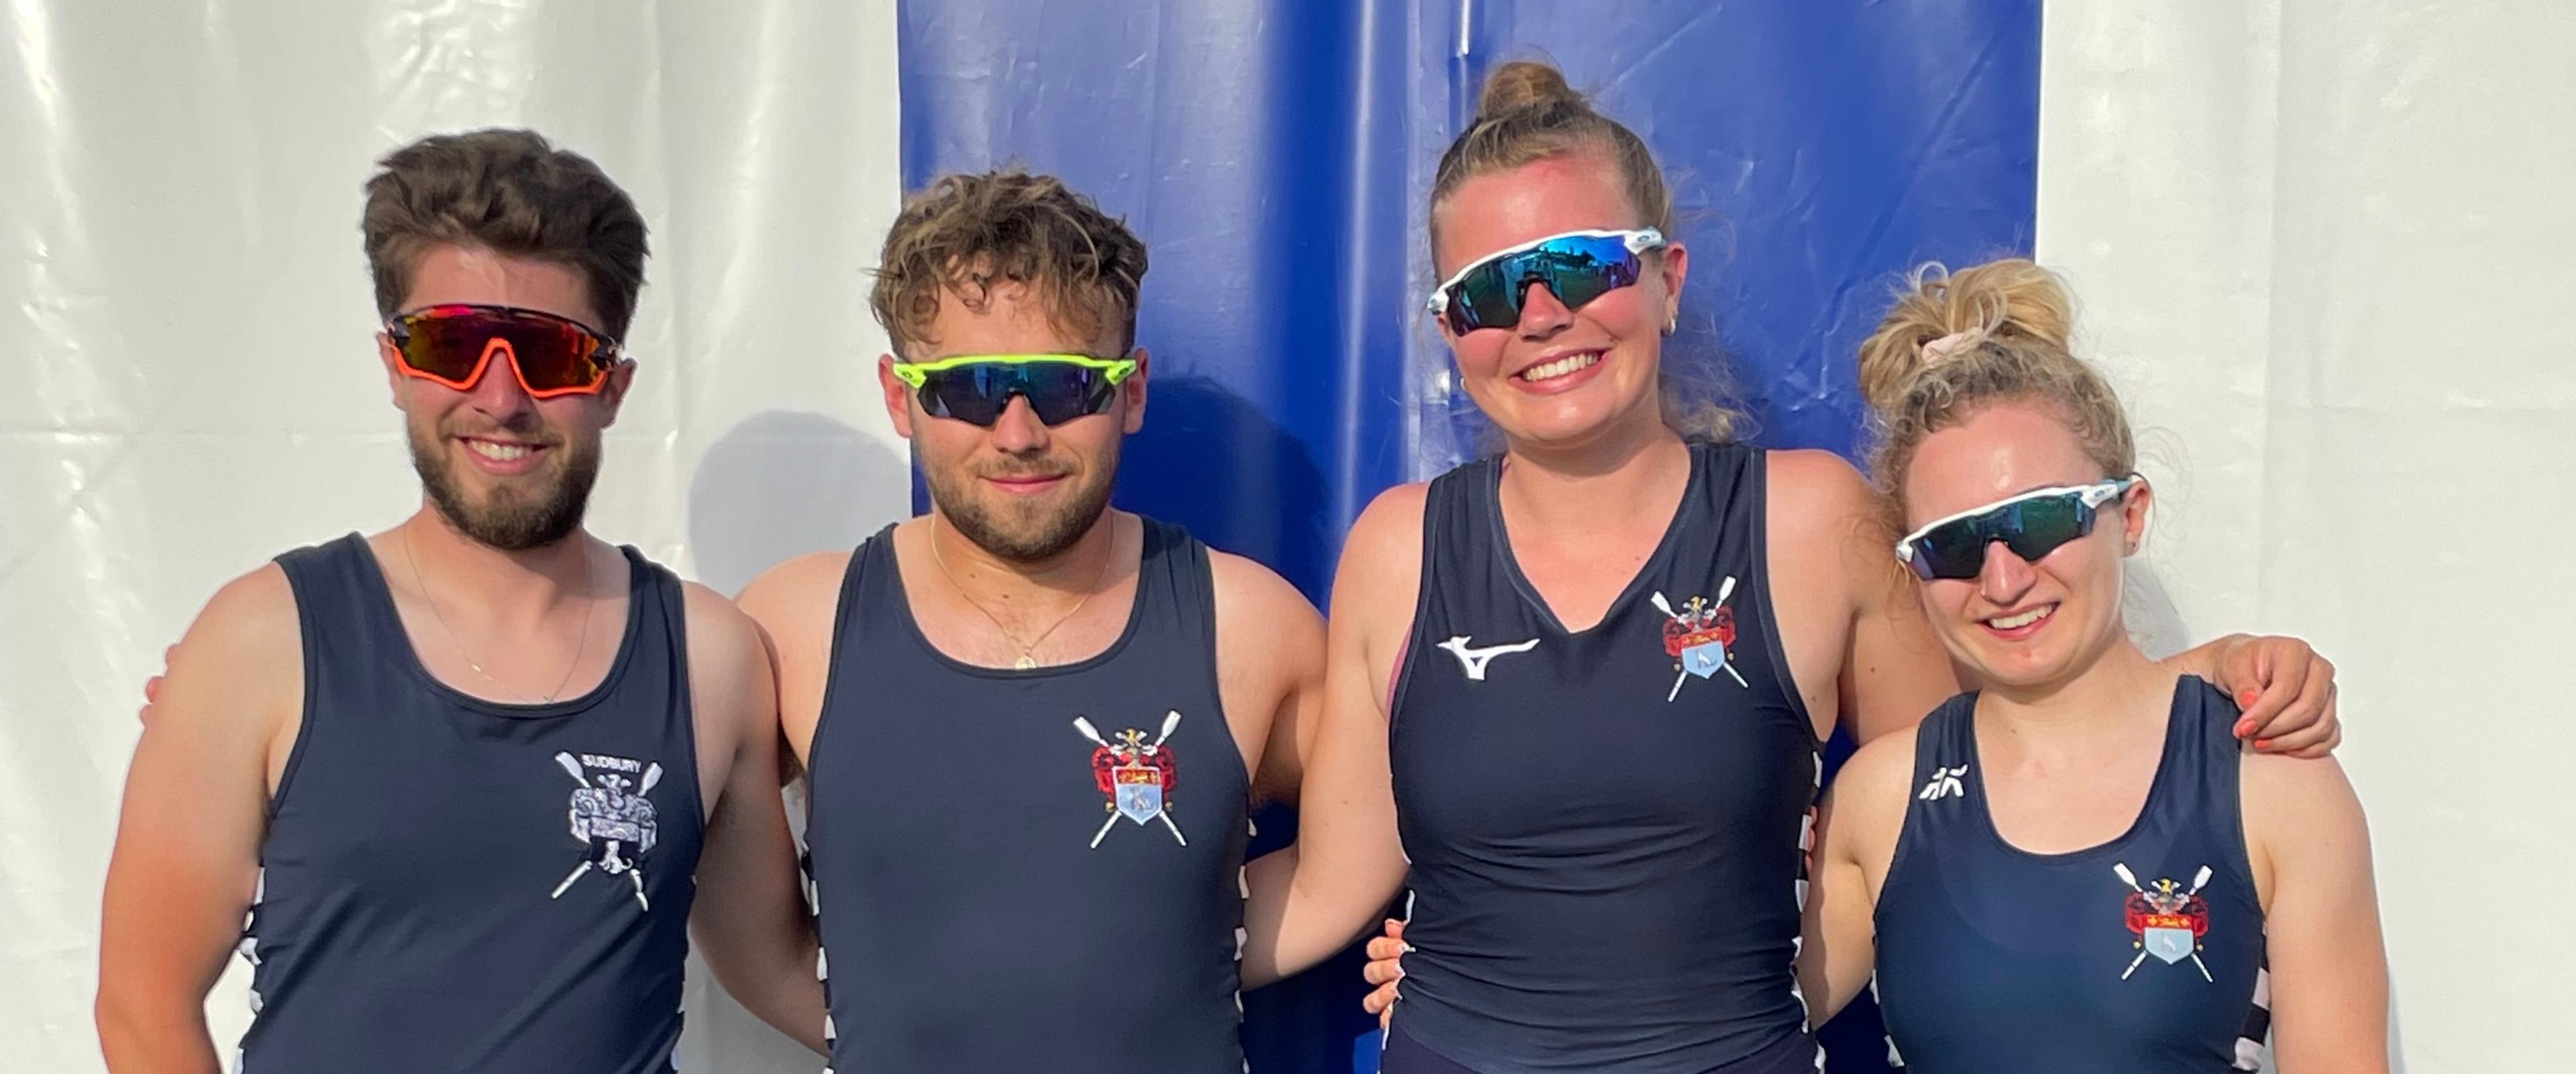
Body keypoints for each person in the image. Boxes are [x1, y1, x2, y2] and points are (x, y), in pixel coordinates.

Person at [1246, 62, 2345, 1074]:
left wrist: (2216, 677)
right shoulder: (1400, 548)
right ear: (1449, 331)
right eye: (1489, 291)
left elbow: (1988, 765)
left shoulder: (1809, 523)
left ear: (1666, 278)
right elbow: (1340, 878)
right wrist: (1089, 950)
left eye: (1580, 264)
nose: (1541, 315)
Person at [95, 129, 824, 1073]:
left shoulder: (709, 655)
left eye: (550, 354)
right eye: (451, 344)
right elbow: (143, 1006)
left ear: (613, 386)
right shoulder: (265, 638)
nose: (499, 394)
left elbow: (780, 968)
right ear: (397, 365)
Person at [734, 168, 1322, 1073]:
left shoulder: (1250, 626)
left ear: (1130, 393)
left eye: (1063, 386)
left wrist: (1183, 959)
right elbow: (741, 929)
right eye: (968, 389)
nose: (1016, 433)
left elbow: (1406, 831)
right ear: (900, 398)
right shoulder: (791, 629)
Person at [1777, 259, 2390, 1071]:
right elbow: (1725, 1026)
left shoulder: (2275, 783)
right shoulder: (1881, 798)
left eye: (2039, 521)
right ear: (1912, 567)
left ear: (2128, 513)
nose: (2004, 579)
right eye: (1954, 544)